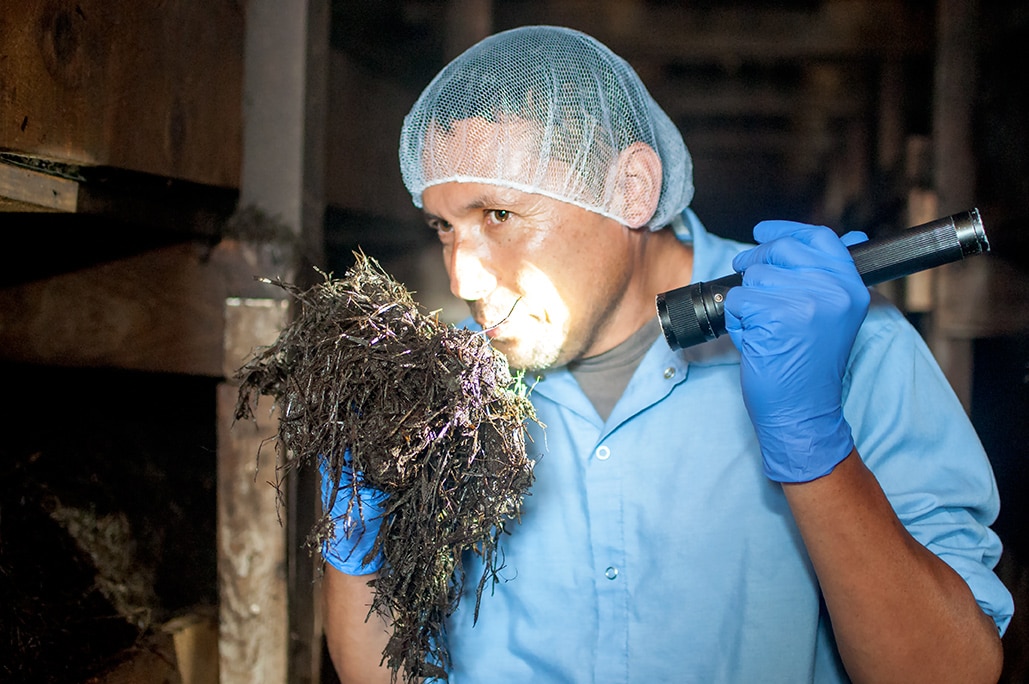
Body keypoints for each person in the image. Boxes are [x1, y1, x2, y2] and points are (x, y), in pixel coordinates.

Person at [321, 25, 1013, 683]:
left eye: (498, 216)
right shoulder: (441, 394)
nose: (461, 279)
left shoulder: (849, 347)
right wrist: (357, 553)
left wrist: (816, 451)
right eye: (444, 227)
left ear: (629, 189)